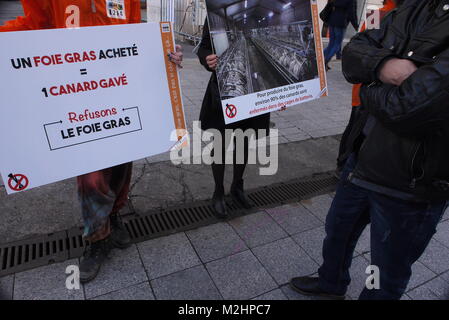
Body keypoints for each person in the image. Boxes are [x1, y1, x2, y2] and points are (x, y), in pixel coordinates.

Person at [0, 0, 183, 283]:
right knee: (90, 176)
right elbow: (33, 24)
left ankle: (113, 215)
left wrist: (164, 50)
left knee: (123, 164)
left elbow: (135, 34)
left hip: (119, 92)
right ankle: (97, 239)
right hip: (76, 96)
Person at [291, 0, 449, 300]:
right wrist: (384, 67)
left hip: (411, 183)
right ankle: (331, 282)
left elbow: (409, 107)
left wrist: (367, 87)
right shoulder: (410, 7)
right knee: (337, 232)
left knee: (386, 272)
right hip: (362, 156)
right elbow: (353, 52)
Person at [197, 20, 270, 219]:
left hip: (254, 88)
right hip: (225, 88)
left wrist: (282, 94)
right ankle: (218, 191)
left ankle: (237, 186)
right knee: (220, 142)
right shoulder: (216, 9)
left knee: (244, 140)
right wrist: (207, 59)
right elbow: (203, 47)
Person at [323, 0, 358, 70]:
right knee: (337, 44)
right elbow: (352, 13)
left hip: (332, 21)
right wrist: (356, 25)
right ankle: (325, 61)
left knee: (331, 44)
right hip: (341, 23)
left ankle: (319, 59)